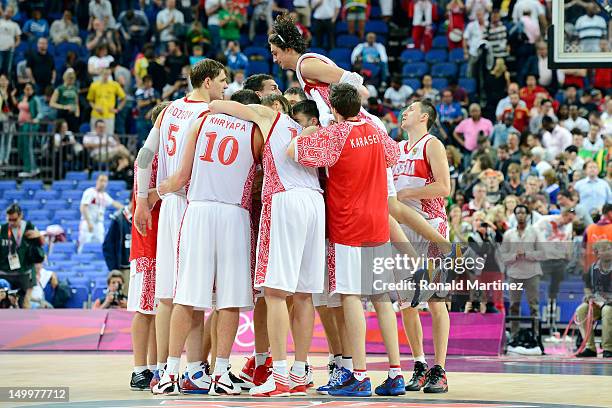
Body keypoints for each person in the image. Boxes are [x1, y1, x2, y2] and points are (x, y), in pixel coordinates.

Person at [288, 83, 405, 397]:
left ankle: (360, 375)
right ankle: (395, 373)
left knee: (351, 297)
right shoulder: (377, 132)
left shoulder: (335, 135)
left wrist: (307, 132)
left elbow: (293, 152)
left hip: (348, 225)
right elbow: (394, 157)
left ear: (335, 109)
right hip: (378, 222)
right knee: (381, 298)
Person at [208, 92, 325, 397]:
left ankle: (281, 374)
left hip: (285, 199)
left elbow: (220, 106)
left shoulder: (271, 117)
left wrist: (213, 101)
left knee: (273, 293)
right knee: (303, 294)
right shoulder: (308, 129)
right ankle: (300, 371)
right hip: (316, 201)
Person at [155, 85, 257, 396]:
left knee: (186, 295)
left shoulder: (201, 121)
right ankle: (222, 374)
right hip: (232, 214)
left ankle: (170, 372)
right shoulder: (256, 130)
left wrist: (156, 192)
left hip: (197, 210)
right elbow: (261, 180)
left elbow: (180, 177)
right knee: (229, 300)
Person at [134, 59, 227, 395]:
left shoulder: (168, 109)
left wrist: (142, 198)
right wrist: (156, 193)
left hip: (171, 205)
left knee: (168, 294)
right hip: (191, 202)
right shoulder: (209, 113)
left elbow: (144, 155)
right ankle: (191, 369)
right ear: (205, 82)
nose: (224, 87)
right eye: (221, 81)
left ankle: (162, 369)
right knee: (194, 293)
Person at [393, 99, 451, 393]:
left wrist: (408, 192)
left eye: (411, 110)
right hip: (402, 229)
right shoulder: (396, 148)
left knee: (436, 299)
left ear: (424, 116)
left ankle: (439, 369)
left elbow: (444, 187)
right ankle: (418, 363)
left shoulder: (432, 144)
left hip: (430, 224)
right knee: (407, 302)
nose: (405, 112)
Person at [127, 101, 169, 391]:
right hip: (147, 243)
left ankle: (154, 367)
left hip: (161, 242)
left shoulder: (164, 156)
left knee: (159, 308)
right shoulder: (149, 158)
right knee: (145, 310)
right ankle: (139, 368)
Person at [501, 205, 545, 340]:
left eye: (523, 212)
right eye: (518, 212)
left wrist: (526, 254)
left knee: (534, 306)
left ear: (527, 215)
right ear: (514, 215)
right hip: (514, 274)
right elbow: (502, 256)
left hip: (532, 274)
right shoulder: (508, 234)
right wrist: (514, 256)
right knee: (514, 306)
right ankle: (514, 335)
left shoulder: (535, 232)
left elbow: (543, 253)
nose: (520, 215)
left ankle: (536, 336)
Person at [0, 204, 44, 309]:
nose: (11, 222)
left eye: (14, 220)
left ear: (21, 216)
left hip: (25, 272)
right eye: (9, 219)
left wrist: (39, 235)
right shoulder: (2, 229)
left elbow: (41, 245)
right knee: (3, 303)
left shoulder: (29, 227)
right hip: (5, 272)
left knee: (25, 303)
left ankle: (26, 325)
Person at [574, 240, 612, 358]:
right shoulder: (591, 269)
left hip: (609, 304)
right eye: (605, 249)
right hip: (598, 303)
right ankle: (590, 347)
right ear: (597, 253)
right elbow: (587, 287)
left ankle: (608, 348)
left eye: (610, 249)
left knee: (607, 310)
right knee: (581, 310)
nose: (609, 252)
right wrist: (588, 295)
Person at [79, 174, 124, 251]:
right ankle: (79, 259)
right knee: (84, 244)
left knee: (102, 244)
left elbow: (114, 203)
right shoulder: (90, 192)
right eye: (101, 180)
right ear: (97, 181)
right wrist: (89, 222)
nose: (103, 183)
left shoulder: (105, 195)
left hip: (99, 223)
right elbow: (83, 207)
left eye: (105, 181)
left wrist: (126, 208)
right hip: (87, 222)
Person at [49, 68, 80, 132]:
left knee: (73, 132)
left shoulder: (75, 89)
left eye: (72, 78)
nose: (70, 80)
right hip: (62, 114)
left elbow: (76, 103)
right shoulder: (59, 89)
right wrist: (64, 107)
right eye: (69, 78)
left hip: (72, 115)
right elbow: (51, 103)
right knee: (60, 131)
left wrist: (77, 114)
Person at [0, 6, 21, 76]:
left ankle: (7, 86)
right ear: (4, 11)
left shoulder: (15, 25)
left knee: (8, 70)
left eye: (10, 12)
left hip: (9, 51)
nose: (7, 13)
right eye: (7, 11)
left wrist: (14, 45)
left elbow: (18, 40)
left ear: (12, 14)